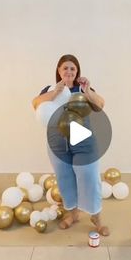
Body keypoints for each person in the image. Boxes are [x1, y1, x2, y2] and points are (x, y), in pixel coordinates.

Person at [32, 54, 109, 236]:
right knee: (65, 179)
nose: (68, 71)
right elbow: (35, 104)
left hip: (83, 142)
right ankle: (73, 214)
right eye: (65, 68)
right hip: (57, 143)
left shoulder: (82, 89)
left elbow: (100, 104)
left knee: (89, 178)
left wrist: (88, 90)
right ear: (58, 71)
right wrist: (56, 92)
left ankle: (96, 217)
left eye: (72, 68)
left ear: (77, 72)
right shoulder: (50, 89)